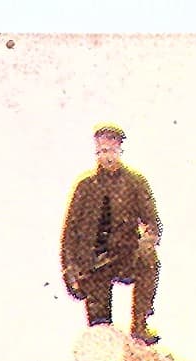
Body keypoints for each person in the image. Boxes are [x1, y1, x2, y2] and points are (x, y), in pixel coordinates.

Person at [60, 124, 162, 343]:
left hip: (125, 256)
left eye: (111, 150)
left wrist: (147, 241)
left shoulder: (135, 183)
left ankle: (140, 326)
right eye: (102, 151)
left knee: (149, 260)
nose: (106, 157)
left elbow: (154, 224)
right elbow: (69, 233)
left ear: (120, 150)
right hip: (93, 264)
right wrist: (69, 270)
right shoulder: (85, 187)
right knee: (101, 335)